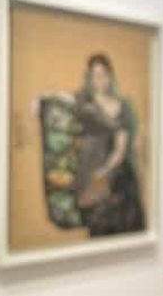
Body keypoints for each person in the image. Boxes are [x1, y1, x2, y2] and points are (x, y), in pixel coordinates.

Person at [34, 53, 146, 236]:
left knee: (121, 228)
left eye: (103, 74)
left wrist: (103, 172)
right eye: (95, 75)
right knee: (97, 228)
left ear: (110, 76)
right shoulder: (84, 102)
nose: (99, 80)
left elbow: (120, 149)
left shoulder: (123, 106)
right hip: (88, 171)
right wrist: (41, 102)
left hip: (115, 175)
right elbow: (59, 100)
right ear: (90, 78)